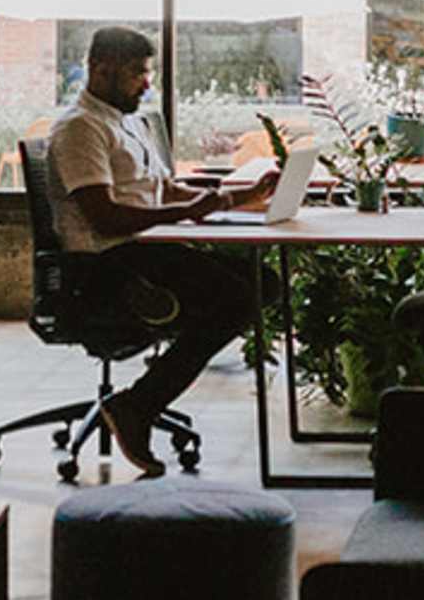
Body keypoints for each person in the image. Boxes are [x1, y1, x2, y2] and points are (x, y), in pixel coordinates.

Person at [43, 25, 267, 473]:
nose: (147, 83)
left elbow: (163, 191)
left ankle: (143, 393)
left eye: (147, 73)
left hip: (142, 252)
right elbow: (104, 217)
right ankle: (138, 404)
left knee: (263, 283)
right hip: (105, 268)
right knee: (238, 298)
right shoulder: (80, 129)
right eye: (136, 74)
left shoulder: (127, 123)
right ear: (99, 69)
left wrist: (238, 197)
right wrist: (183, 214)